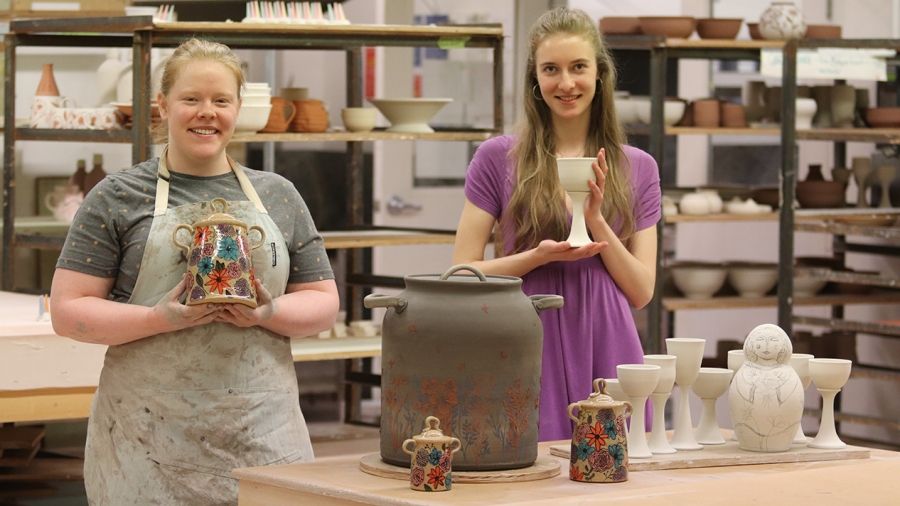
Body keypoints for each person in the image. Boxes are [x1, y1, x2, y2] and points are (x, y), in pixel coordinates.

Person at [50, 38, 339, 504]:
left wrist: (267, 313)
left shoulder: (278, 194)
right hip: (146, 442)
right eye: (191, 99)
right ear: (163, 105)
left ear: (238, 109)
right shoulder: (117, 196)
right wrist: (157, 319)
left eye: (221, 101)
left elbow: (324, 303)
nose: (207, 112)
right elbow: (68, 311)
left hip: (263, 434)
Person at [452, 7, 661, 441]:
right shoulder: (496, 158)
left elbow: (642, 291)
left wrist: (596, 220)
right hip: (526, 332)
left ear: (600, 74)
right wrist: (537, 257)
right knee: (529, 463)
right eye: (551, 69)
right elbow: (461, 274)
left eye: (578, 67)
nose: (566, 83)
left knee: (612, 466)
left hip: (609, 338)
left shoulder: (638, 167)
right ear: (535, 77)